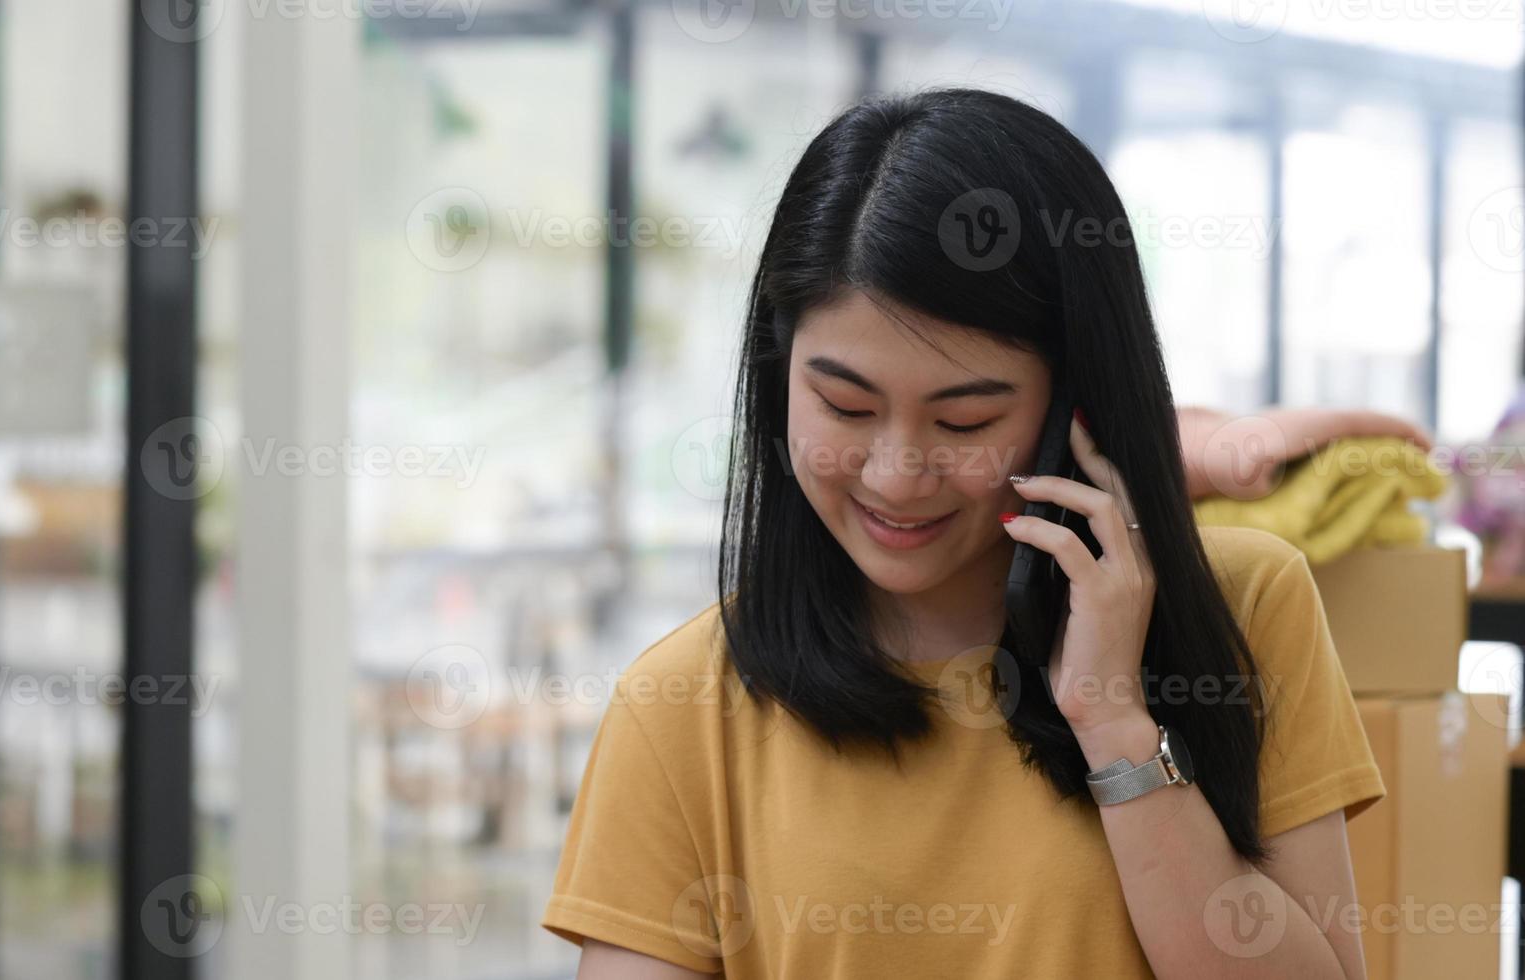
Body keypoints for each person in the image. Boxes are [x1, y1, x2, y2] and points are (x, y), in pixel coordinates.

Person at [540, 87, 1384, 979]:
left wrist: (1114, 723)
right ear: (777, 378)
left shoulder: (1242, 606)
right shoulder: (683, 705)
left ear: (1076, 406)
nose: (897, 474)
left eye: (964, 421)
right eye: (845, 406)